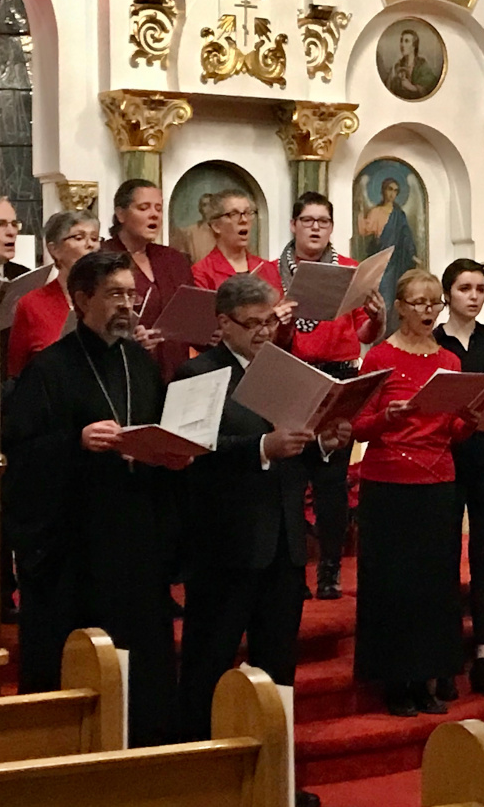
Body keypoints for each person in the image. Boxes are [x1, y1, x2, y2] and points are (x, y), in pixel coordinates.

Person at [3, 250, 192, 747]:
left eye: (131, 294)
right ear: (82, 299)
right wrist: (76, 442)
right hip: (77, 544)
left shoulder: (140, 362)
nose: (128, 305)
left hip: (138, 534)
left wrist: (171, 453)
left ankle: (145, 746)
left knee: (144, 654)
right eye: (115, 294)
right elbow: (19, 454)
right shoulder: (49, 367)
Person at [177, 275, 350, 807]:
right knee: (209, 662)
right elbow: (188, 454)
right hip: (225, 545)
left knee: (279, 672)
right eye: (252, 324)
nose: (262, 332)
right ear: (223, 322)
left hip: (282, 544)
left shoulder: (285, 371)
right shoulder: (196, 373)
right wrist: (261, 446)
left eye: (269, 322)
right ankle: (199, 778)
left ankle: (277, 778)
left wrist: (321, 442)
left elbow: (295, 447)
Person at [352, 269, 477, 716]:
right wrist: (389, 414)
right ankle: (395, 682)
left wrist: (476, 417)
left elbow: (455, 430)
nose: (429, 311)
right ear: (400, 306)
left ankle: (426, 677)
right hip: (388, 483)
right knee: (393, 585)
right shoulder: (380, 357)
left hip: (438, 482)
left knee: (433, 587)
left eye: (434, 303)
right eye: (420, 303)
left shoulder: (451, 361)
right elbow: (358, 425)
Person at [275, 192, 385, 600]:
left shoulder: (351, 271)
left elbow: (363, 337)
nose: (315, 227)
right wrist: (282, 324)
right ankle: (293, 570)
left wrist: (377, 319)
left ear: (332, 227)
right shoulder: (273, 273)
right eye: (307, 220)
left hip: (339, 379)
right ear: (293, 225)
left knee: (331, 483)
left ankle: (330, 570)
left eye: (323, 220)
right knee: (289, 481)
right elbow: (271, 341)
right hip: (293, 378)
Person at [433, 259, 484, 699]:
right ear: (448, 294)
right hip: (446, 455)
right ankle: (445, 661)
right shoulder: (434, 340)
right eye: (465, 288)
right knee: (444, 560)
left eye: (481, 288)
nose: (474, 296)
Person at [100, 179, 193, 380]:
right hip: (126, 373)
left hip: (177, 373)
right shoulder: (103, 258)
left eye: (159, 209)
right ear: (121, 214)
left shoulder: (174, 259)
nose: (154, 215)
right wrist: (128, 337)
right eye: (144, 208)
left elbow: (191, 315)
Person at [7, 210, 100, 377]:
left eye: (94, 238)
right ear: (54, 249)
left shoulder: (106, 301)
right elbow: (16, 372)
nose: (90, 245)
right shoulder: (32, 304)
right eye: (79, 237)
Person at [356, 177, 419, 334]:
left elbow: (407, 237)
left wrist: (413, 255)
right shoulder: (376, 212)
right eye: (389, 189)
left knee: (395, 298)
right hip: (381, 260)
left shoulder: (399, 215)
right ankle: (380, 333)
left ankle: (391, 332)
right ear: (383, 191)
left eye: (395, 190)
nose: (392, 194)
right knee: (383, 296)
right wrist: (358, 212)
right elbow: (365, 230)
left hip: (396, 262)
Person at [191, 189, 283, 292]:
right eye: (234, 214)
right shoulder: (202, 273)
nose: (244, 220)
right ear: (216, 226)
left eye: (248, 213)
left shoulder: (268, 268)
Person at [386, 28, 439, 99]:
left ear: (414, 46)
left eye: (406, 41)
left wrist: (412, 88)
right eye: (401, 41)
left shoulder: (421, 65)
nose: (402, 45)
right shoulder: (397, 66)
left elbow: (431, 85)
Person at [169, 193, 217, 265]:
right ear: (200, 209)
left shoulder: (222, 230)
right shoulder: (191, 231)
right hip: (196, 272)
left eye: (210, 204)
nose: (208, 208)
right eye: (204, 205)